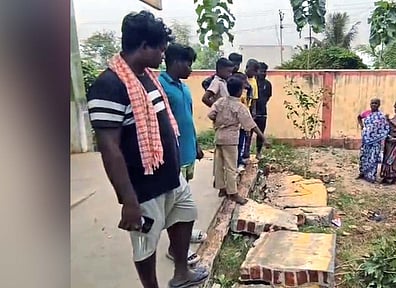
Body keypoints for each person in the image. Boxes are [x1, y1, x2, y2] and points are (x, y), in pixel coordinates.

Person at [86, 11, 208, 288]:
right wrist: (128, 201)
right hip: (142, 186)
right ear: (143, 46)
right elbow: (110, 149)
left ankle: (181, 274)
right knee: (146, 244)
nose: (163, 56)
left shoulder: (148, 78)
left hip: (170, 176)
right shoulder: (109, 86)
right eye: (161, 49)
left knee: (186, 214)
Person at [158, 43, 207, 266]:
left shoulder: (184, 88)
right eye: (188, 63)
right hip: (171, 156)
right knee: (172, 203)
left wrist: (195, 144)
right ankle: (175, 247)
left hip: (187, 152)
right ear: (175, 62)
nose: (190, 68)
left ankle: (182, 236)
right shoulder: (160, 86)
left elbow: (188, 119)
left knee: (183, 201)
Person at [208, 75, 270, 205]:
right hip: (231, 138)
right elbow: (251, 124)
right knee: (231, 166)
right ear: (239, 91)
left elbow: (211, 113)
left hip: (219, 136)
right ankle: (233, 193)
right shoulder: (240, 107)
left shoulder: (220, 102)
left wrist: (215, 118)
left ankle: (221, 188)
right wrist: (263, 138)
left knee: (219, 164)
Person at [356, 98, 390, 183]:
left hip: (375, 142)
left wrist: (380, 136)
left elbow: (385, 128)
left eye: (376, 103)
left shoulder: (381, 116)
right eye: (372, 103)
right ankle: (362, 173)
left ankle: (371, 176)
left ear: (379, 105)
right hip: (365, 140)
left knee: (373, 158)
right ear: (370, 104)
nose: (374, 105)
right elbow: (359, 117)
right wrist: (362, 126)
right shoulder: (366, 113)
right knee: (363, 157)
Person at [238, 59, 260, 169]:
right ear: (247, 68)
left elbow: (254, 98)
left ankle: (244, 154)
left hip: (247, 109)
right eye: (254, 71)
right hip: (238, 110)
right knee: (240, 134)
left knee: (247, 133)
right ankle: (239, 157)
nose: (255, 74)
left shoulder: (254, 81)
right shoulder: (240, 77)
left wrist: (253, 111)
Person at [254, 62, 272, 160]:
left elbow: (268, 96)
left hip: (262, 112)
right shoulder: (252, 82)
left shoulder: (267, 84)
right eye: (261, 71)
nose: (263, 73)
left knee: (260, 133)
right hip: (252, 112)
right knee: (248, 133)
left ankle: (258, 152)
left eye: (265, 71)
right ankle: (245, 153)